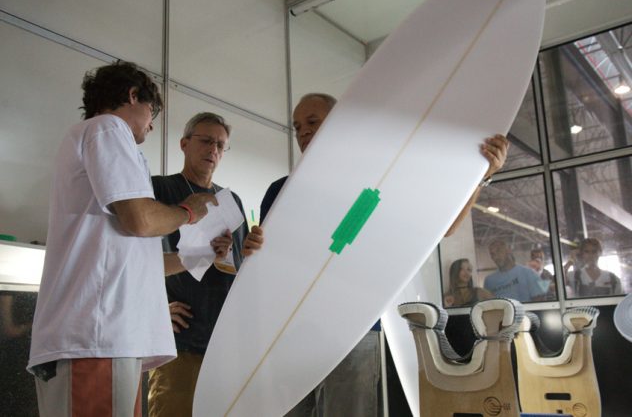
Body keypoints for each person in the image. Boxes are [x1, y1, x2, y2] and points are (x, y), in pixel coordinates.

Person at [260, 93, 509, 416]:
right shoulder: (281, 191)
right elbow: (264, 258)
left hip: (353, 330)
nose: (303, 132)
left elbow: (441, 226)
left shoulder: (373, 182)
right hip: (291, 333)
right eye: (296, 126)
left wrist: (482, 175)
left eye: (312, 122)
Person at [27, 61, 215, 417]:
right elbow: (140, 220)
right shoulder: (107, 128)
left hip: (106, 339)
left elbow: (140, 258)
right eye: (152, 111)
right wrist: (188, 212)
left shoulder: (104, 140)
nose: (152, 123)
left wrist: (200, 255)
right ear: (132, 96)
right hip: (95, 338)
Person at [147, 112, 263, 417]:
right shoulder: (159, 189)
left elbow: (236, 267)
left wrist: (246, 252)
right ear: (184, 143)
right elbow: (132, 261)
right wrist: (154, 310)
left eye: (221, 145)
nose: (214, 149)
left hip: (225, 345)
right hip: (179, 343)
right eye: (206, 140)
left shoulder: (231, 200)